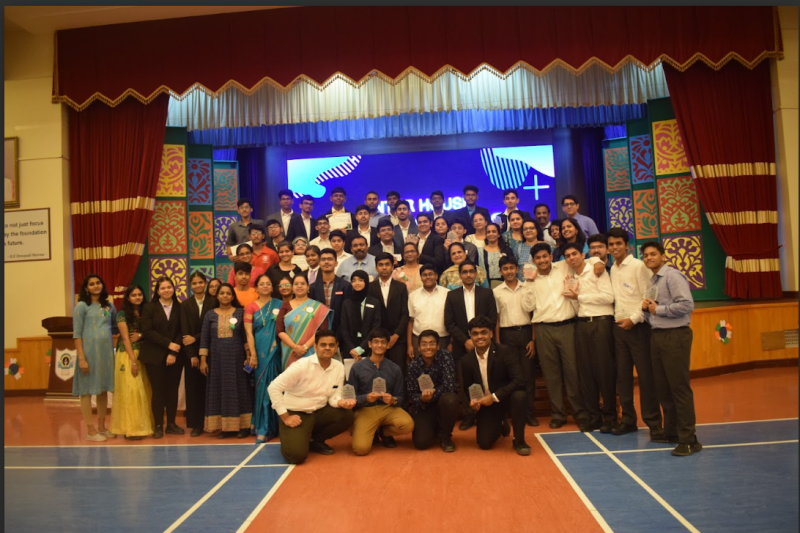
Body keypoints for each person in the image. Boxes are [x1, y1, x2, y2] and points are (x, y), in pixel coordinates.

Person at [641, 240, 701, 456]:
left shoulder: (672, 276)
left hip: (675, 335)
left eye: (653, 254)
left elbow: (687, 305)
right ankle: (673, 432)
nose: (649, 258)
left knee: (679, 388)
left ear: (663, 256)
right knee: (664, 388)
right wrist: (646, 310)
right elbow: (654, 310)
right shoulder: (653, 281)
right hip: (657, 335)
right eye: (645, 255)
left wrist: (658, 310)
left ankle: (689, 439)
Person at [521, 243, 589, 431]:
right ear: (533, 261)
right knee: (551, 375)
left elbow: (587, 261)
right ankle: (558, 414)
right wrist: (529, 283)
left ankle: (580, 413)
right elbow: (527, 307)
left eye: (545, 256)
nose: (542, 260)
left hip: (567, 326)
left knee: (573, 372)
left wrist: (599, 263)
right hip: (544, 330)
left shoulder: (563, 267)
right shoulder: (530, 280)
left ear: (551, 257)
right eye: (538, 258)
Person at [267, 329, 356, 464]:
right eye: (323, 345)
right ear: (315, 347)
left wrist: (340, 403)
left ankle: (315, 440)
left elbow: (334, 395)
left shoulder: (338, 367)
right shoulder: (301, 366)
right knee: (296, 456)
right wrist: (285, 417)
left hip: (319, 411)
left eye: (331, 345)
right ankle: (296, 436)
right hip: (296, 413)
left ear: (336, 347)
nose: (327, 348)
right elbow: (273, 387)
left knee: (347, 415)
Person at [606, 228, 662, 438]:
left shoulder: (639, 266)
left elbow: (648, 297)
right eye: (611, 244)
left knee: (646, 377)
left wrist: (634, 319)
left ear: (627, 246)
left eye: (618, 244)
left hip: (638, 328)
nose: (614, 248)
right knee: (623, 378)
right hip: (619, 328)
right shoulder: (613, 269)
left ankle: (654, 423)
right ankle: (628, 420)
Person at [563, 242, 616, 433]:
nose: (571, 258)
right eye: (568, 256)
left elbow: (609, 297)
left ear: (582, 254)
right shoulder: (572, 278)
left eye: (574, 253)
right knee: (585, 373)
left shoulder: (596, 270)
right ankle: (594, 417)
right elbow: (577, 305)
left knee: (604, 372)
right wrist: (573, 296)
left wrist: (580, 296)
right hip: (582, 324)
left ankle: (610, 417)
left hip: (601, 322)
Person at [461, 316, 530, 456]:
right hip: (487, 404)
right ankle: (501, 422)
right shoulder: (466, 360)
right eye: (475, 334)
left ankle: (519, 440)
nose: (479, 337)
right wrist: (474, 402)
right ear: (470, 336)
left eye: (483, 332)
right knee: (484, 443)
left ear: (491, 333)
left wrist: (494, 397)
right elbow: (469, 387)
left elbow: (519, 380)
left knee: (520, 396)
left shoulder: (505, 351)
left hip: (506, 397)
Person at [444, 261, 498, 429]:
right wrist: (466, 341)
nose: (468, 275)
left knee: (487, 379)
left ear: (476, 274)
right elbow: (449, 323)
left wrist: (480, 338)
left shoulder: (487, 293)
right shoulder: (452, 296)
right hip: (462, 346)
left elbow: (492, 319)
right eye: (465, 272)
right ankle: (469, 415)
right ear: (460, 275)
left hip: (485, 344)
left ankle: (491, 414)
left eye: (471, 271)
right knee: (465, 383)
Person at [348, 328, 415, 455]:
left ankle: (383, 432)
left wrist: (393, 400)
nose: (379, 345)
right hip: (365, 410)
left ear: (388, 345)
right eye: (376, 342)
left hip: (387, 408)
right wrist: (365, 398)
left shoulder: (394, 368)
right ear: (369, 344)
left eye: (383, 342)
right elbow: (350, 397)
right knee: (360, 449)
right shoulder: (357, 368)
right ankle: (368, 431)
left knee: (408, 425)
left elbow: (401, 396)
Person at [199, 283, 253, 439]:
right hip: (217, 361)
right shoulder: (210, 315)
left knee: (241, 390)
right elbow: (204, 339)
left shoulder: (240, 313)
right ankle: (225, 427)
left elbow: (245, 337)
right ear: (217, 296)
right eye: (222, 293)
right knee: (220, 391)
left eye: (228, 293)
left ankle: (243, 426)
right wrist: (203, 360)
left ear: (232, 296)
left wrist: (248, 356)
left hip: (237, 360)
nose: (225, 296)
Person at [493, 257, 538, 427]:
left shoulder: (527, 287)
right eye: (505, 269)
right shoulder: (496, 291)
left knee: (528, 376)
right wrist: (498, 343)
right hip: (506, 336)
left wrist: (533, 339)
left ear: (517, 269)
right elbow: (496, 320)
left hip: (525, 334)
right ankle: (510, 414)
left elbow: (533, 315)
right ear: (500, 271)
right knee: (509, 377)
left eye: (512, 268)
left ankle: (528, 413)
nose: (509, 271)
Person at [72, 274, 117, 442]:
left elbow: (115, 327)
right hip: (88, 355)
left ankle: (102, 426)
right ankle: (90, 430)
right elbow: (77, 335)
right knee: (86, 391)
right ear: (86, 288)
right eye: (91, 284)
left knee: (103, 390)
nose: (96, 286)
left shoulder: (109, 306)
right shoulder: (82, 306)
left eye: (98, 283)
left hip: (105, 356)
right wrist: (82, 359)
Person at [139, 275, 184, 439]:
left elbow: (182, 330)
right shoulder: (149, 308)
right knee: (158, 391)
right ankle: (158, 425)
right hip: (154, 355)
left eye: (169, 287)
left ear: (174, 289)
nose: (166, 290)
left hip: (176, 356)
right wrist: (168, 344)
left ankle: (171, 424)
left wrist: (173, 351)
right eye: (163, 288)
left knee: (172, 391)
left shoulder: (181, 307)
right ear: (157, 291)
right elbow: (147, 331)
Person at [244, 274, 285, 442]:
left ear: (272, 287)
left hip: (277, 352)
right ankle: (263, 426)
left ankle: (278, 426)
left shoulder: (280, 304)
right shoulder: (251, 307)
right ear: (256, 288)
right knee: (262, 388)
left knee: (277, 386)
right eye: (262, 284)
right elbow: (249, 333)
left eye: (268, 283)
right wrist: (253, 355)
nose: (265, 286)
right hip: (260, 353)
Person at [111, 284, 154, 440]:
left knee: (144, 390)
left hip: (144, 353)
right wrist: (133, 361)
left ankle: (144, 425)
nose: (137, 297)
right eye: (134, 295)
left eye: (139, 294)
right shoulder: (122, 314)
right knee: (132, 391)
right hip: (128, 355)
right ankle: (132, 428)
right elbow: (125, 338)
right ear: (128, 298)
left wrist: (141, 335)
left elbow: (148, 332)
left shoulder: (146, 311)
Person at [405, 330, 459, 452]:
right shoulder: (414, 365)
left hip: (443, 402)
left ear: (438, 346)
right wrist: (422, 398)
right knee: (421, 443)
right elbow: (411, 393)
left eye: (432, 343)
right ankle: (434, 427)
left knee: (451, 399)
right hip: (424, 406)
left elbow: (449, 385)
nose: (428, 347)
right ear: (419, 348)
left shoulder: (445, 357)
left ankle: (445, 436)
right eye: (424, 344)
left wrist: (432, 394)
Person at [180, 271, 217, 437]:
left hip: (213, 351)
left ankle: (213, 422)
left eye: (200, 282)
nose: (198, 286)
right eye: (194, 283)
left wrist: (195, 338)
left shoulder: (213, 302)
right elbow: (185, 333)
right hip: (193, 355)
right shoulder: (185, 305)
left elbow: (212, 330)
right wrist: (192, 355)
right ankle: (196, 424)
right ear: (190, 285)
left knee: (210, 389)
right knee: (194, 390)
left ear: (205, 283)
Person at [276, 272, 330, 370]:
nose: (299, 286)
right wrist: (295, 347)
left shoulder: (318, 307)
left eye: (302, 283)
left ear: (308, 287)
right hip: (290, 351)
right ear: (292, 288)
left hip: (311, 351)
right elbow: (280, 330)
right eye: (296, 284)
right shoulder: (285, 306)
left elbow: (322, 331)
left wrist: (305, 347)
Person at [369, 253, 410, 374]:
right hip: (377, 339)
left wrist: (396, 335)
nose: (384, 267)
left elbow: (405, 313)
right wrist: (378, 337)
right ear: (376, 267)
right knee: (378, 372)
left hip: (398, 338)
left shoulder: (401, 287)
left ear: (392, 266)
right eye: (380, 265)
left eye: (387, 264)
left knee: (398, 371)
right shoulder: (370, 288)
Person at [407, 264, 451, 358]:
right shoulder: (413, 296)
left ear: (436, 276)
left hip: (442, 339)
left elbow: (453, 320)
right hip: (419, 339)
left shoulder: (447, 293)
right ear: (421, 277)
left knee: (443, 365)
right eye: (424, 275)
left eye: (430, 274)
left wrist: (451, 342)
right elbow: (411, 321)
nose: (428, 277)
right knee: (420, 366)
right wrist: (409, 345)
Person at [308, 248, 353, 339]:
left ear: (336, 263)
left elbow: (347, 313)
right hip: (318, 331)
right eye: (323, 259)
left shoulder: (345, 286)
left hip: (340, 331)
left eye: (330, 259)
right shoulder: (313, 287)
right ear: (319, 263)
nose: (326, 262)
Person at [340, 270, 382, 363]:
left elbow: (375, 328)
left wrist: (360, 349)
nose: (357, 283)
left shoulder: (374, 302)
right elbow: (344, 328)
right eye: (354, 280)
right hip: (350, 350)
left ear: (366, 282)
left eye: (360, 280)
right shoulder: (346, 303)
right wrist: (353, 349)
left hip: (369, 347)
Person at [480, 222, 516, 288]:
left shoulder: (506, 250)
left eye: (494, 231)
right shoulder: (480, 252)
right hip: (486, 286)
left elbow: (512, 267)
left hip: (505, 285)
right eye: (488, 232)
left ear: (499, 234)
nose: (491, 234)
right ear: (486, 235)